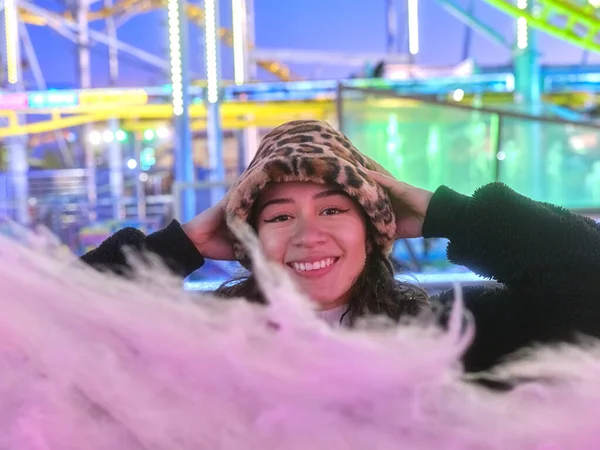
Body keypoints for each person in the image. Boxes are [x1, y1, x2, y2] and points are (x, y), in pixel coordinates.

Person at [81, 119, 600, 374]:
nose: (309, 235)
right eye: (280, 216)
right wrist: (181, 244)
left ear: (375, 227)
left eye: (333, 209)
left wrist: (451, 213)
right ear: (249, 238)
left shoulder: (452, 335)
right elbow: (43, 334)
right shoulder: (200, 343)